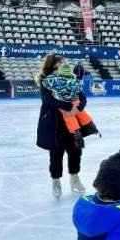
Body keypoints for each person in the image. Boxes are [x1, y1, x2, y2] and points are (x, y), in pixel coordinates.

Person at [36, 54, 86, 199]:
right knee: (56, 155)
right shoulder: (46, 81)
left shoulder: (71, 79)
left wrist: (79, 108)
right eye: (63, 61)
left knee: (76, 151)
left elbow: (82, 97)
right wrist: (69, 106)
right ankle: (56, 181)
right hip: (55, 123)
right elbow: (47, 100)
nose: (66, 63)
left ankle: (74, 177)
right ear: (55, 64)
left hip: (73, 123)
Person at [42, 64, 99, 148]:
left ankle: (78, 136)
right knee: (81, 113)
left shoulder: (53, 81)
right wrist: (79, 108)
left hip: (62, 102)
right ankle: (92, 127)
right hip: (74, 101)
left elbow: (44, 83)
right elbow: (82, 97)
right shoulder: (75, 82)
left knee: (69, 117)